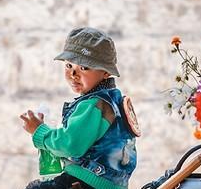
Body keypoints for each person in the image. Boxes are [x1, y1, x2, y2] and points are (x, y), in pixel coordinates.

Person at [20, 27, 139, 189]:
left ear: (105, 72)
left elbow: (71, 144)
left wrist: (40, 132)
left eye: (84, 68)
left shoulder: (94, 104)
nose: (73, 74)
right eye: (69, 65)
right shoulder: (112, 99)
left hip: (89, 181)